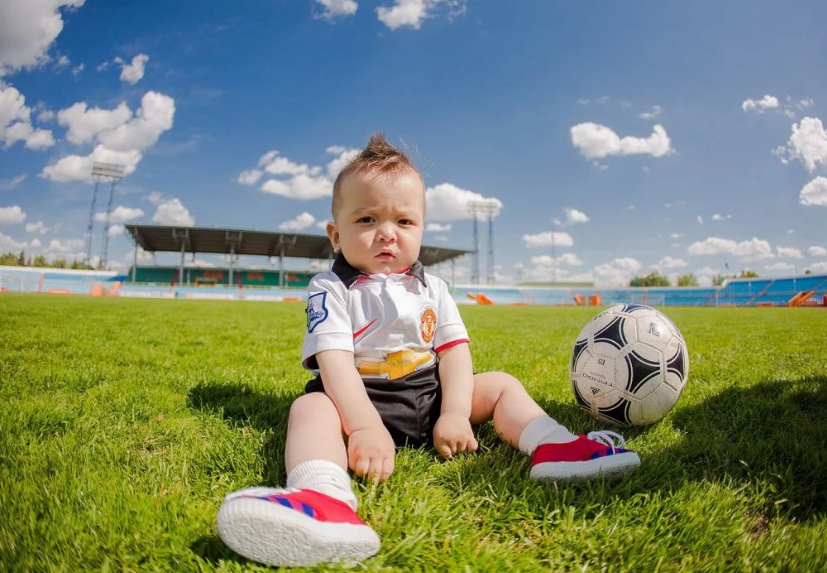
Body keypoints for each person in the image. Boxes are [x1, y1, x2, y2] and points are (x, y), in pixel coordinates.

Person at [216, 134, 640, 567]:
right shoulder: (330, 287)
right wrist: (362, 427)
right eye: (366, 219)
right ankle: (324, 497)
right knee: (309, 409)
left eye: (404, 221)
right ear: (335, 235)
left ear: (421, 229)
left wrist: (455, 413)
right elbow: (334, 362)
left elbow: (454, 352)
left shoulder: (432, 287)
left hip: (430, 395)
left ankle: (555, 446)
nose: (386, 233)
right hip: (361, 400)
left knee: (499, 385)